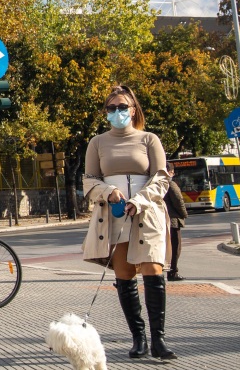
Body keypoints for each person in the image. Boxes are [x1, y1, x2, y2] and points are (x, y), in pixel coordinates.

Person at [82, 85, 177, 361]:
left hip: (147, 213)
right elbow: (89, 179)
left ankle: (159, 339)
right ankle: (139, 338)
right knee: (124, 275)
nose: (117, 112)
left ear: (133, 109)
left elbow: (161, 178)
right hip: (113, 214)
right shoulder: (97, 143)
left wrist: (141, 200)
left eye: (122, 107)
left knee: (152, 270)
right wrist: (108, 192)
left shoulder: (149, 139)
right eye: (111, 108)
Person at [164, 165, 188, 281]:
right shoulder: (170, 184)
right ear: (170, 172)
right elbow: (179, 201)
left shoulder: (154, 183)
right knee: (175, 247)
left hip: (160, 220)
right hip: (173, 220)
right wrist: (184, 214)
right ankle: (173, 272)